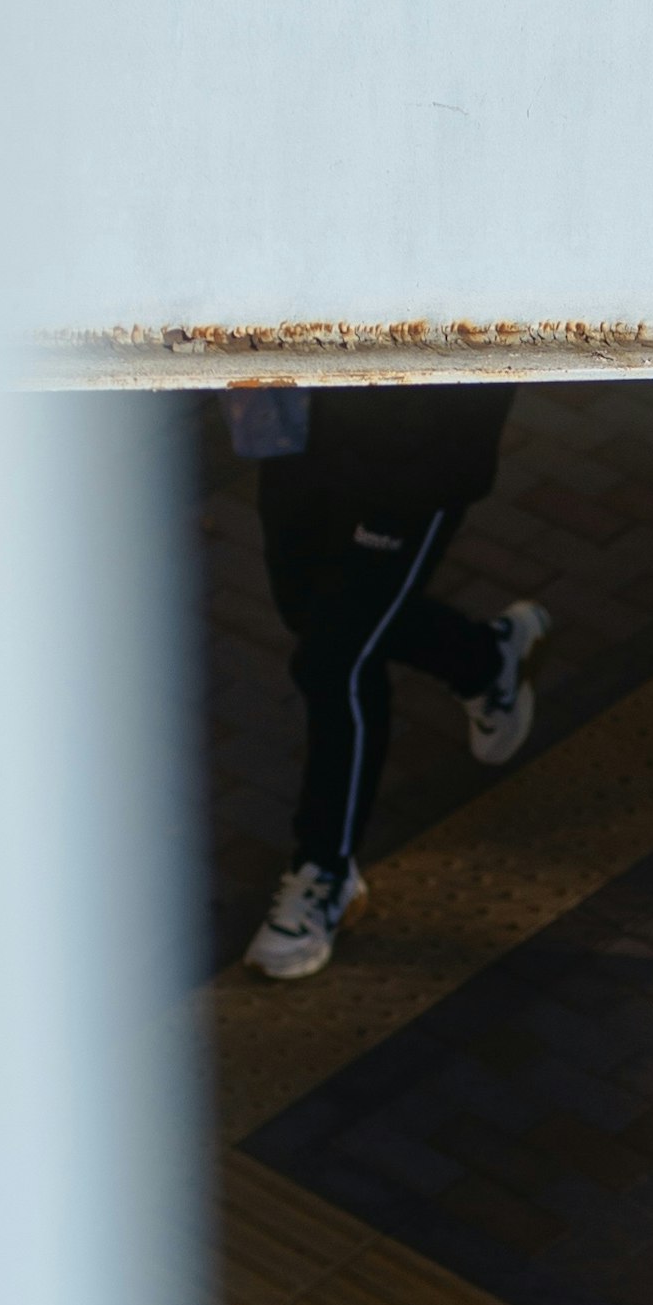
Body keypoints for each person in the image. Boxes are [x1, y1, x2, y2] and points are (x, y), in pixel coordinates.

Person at [236, 381, 549, 980]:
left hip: (412, 456)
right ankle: (484, 662)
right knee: (312, 611)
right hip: (298, 421)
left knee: (335, 662)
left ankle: (325, 870)